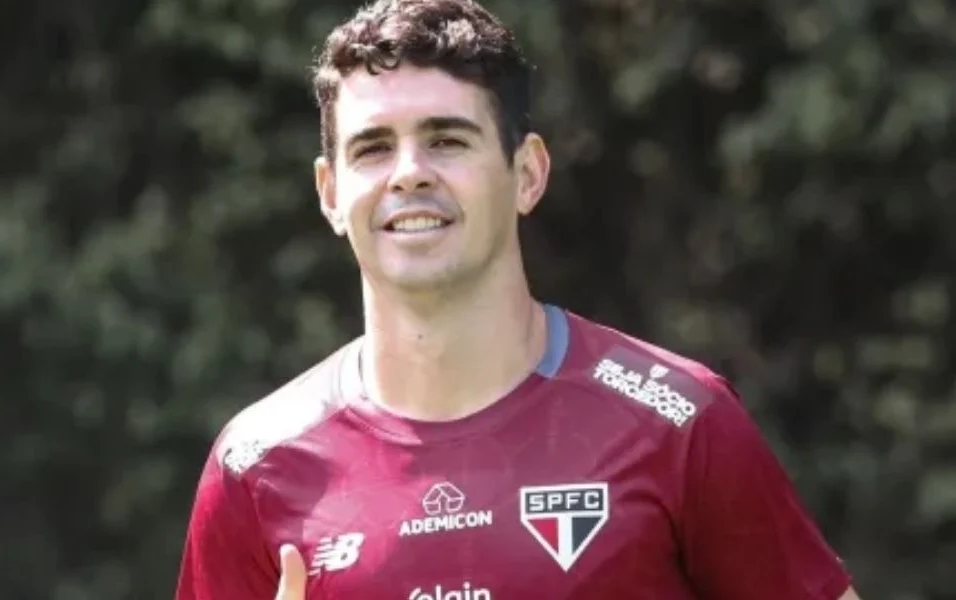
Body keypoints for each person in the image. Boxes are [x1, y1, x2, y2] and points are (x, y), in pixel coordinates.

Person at [174, 0, 864, 598]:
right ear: (330, 193)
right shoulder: (256, 467)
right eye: (374, 148)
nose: (409, 174)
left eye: (447, 140)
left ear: (528, 173)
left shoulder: (678, 423)